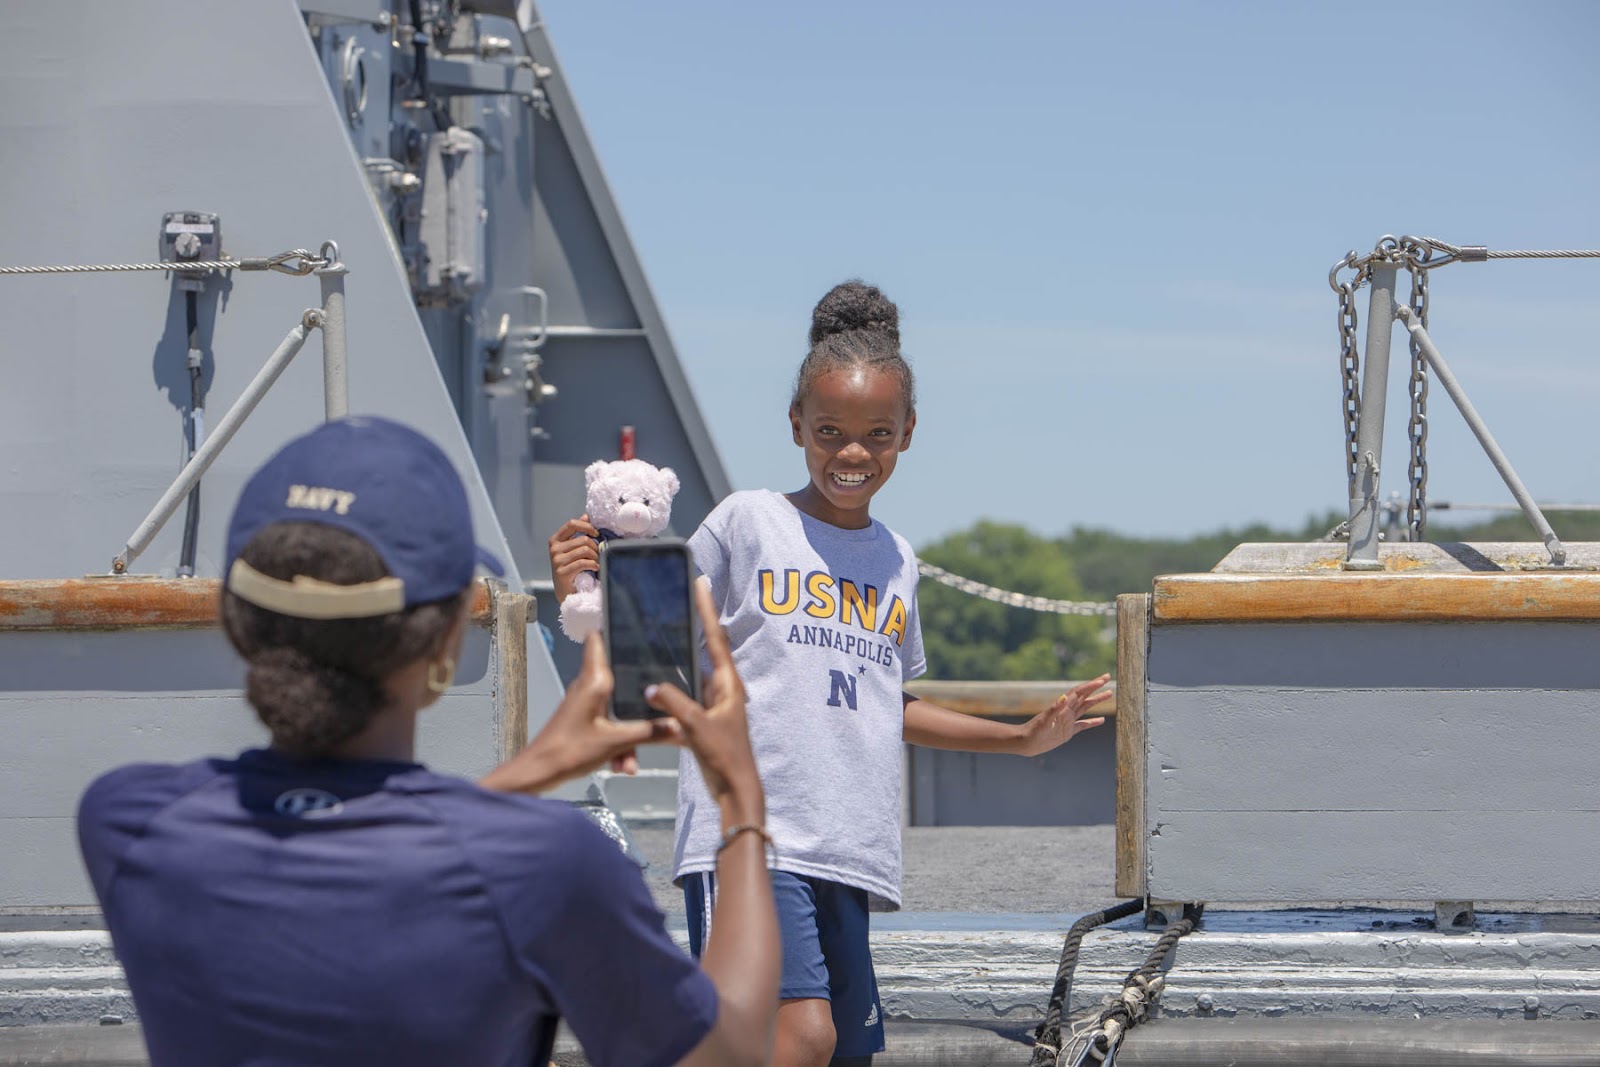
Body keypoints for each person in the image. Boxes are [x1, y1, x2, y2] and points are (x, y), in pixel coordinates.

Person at [77, 416, 778, 1067]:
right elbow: (730, 1051)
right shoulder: (549, 864)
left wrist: (526, 772)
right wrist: (742, 801)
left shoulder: (129, 820)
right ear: (447, 640)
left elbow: (365, 860)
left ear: (239, 625)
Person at [549, 282, 1112, 1066]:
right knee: (798, 1036)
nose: (853, 453)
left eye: (877, 433)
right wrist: (582, 579)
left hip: (847, 848)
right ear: (796, 428)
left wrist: (1020, 738)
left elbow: (889, 701)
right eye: (830, 431)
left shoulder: (896, 560)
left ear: (907, 432)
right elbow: (647, 621)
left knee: (842, 1052)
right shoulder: (748, 522)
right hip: (747, 833)